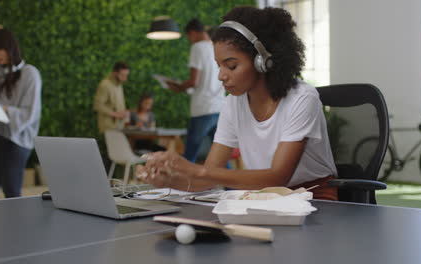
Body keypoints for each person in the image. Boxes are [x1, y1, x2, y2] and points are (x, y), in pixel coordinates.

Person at [136, 6, 338, 200]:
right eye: (219, 66)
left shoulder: (302, 98)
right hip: (267, 199)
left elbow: (278, 177)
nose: (221, 76)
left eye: (231, 66)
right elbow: (207, 180)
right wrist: (168, 181)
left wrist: (198, 170)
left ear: (263, 61)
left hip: (314, 199)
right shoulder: (233, 104)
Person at [0, 29, 42, 200]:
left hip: (18, 139)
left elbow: (29, 114)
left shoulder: (30, 74)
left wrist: (4, 109)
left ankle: (16, 226)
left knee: (11, 191)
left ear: (10, 48)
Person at [167, 18, 225, 162]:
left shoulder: (197, 47)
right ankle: (232, 186)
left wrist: (178, 87)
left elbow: (194, 81)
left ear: (193, 33)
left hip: (202, 109)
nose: (190, 41)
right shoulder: (216, 47)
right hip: (219, 108)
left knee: (189, 155)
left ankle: (182, 185)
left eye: (189, 37)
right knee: (220, 157)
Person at [94, 61, 130, 133]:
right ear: (115, 73)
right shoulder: (105, 85)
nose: (125, 78)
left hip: (119, 126)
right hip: (108, 127)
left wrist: (124, 114)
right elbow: (97, 106)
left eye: (126, 75)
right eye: (122, 75)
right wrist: (116, 114)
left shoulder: (119, 85)